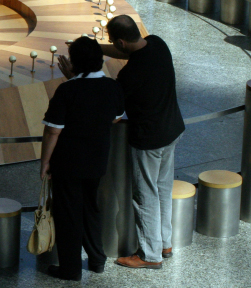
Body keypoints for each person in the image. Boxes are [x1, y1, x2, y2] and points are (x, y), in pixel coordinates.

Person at [96, 15, 184, 269]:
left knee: (144, 196)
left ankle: (149, 255)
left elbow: (113, 112)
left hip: (149, 140)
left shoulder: (130, 74)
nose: (112, 44)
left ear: (121, 42)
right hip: (172, 130)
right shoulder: (157, 43)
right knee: (162, 190)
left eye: (112, 41)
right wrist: (97, 47)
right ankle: (165, 243)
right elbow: (127, 50)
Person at [42, 37, 125, 281]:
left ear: (73, 63)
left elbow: (53, 130)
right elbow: (116, 117)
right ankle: (97, 260)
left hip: (68, 163)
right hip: (97, 161)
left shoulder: (68, 90)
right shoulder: (112, 86)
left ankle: (70, 269)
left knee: (68, 214)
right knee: (91, 209)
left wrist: (45, 162)